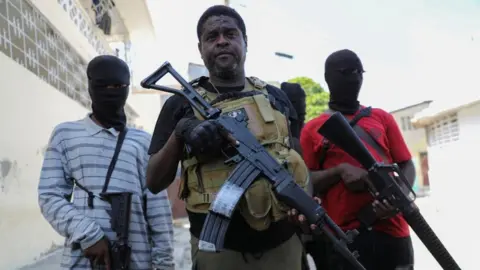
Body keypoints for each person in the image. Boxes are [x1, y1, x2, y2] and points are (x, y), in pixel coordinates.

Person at [146, 5, 311, 270]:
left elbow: (297, 161)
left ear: (245, 42)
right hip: (218, 251)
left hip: (283, 246)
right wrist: (181, 133)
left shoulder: (276, 97)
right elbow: (154, 181)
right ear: (200, 49)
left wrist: (304, 206)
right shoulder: (179, 105)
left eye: (230, 34)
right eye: (212, 37)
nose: (222, 40)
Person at [38, 55, 175, 270]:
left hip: (136, 261)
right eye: (103, 85)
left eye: (118, 86)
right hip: (81, 262)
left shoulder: (143, 142)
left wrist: (165, 264)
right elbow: (49, 196)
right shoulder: (65, 134)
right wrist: (89, 234)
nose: (111, 91)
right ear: (91, 86)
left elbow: (158, 212)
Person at [299, 49, 416, 270]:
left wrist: (398, 198)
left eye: (358, 71)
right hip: (343, 238)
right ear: (329, 78)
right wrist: (339, 171)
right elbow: (306, 181)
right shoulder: (313, 130)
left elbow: (406, 163)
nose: (354, 77)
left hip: (393, 230)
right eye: (345, 71)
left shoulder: (382, 118)